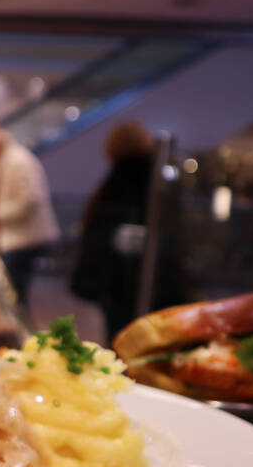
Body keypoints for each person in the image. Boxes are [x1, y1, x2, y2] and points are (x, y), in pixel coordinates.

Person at [70, 121, 186, 341]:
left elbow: (101, 235)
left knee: (120, 338)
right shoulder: (158, 181)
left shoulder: (120, 182)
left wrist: (98, 280)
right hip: (154, 281)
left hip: (121, 284)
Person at [0, 124, 60, 314]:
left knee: (14, 293)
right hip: (17, 237)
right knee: (13, 291)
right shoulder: (7, 160)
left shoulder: (18, 161)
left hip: (25, 239)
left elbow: (29, 200)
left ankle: (16, 331)